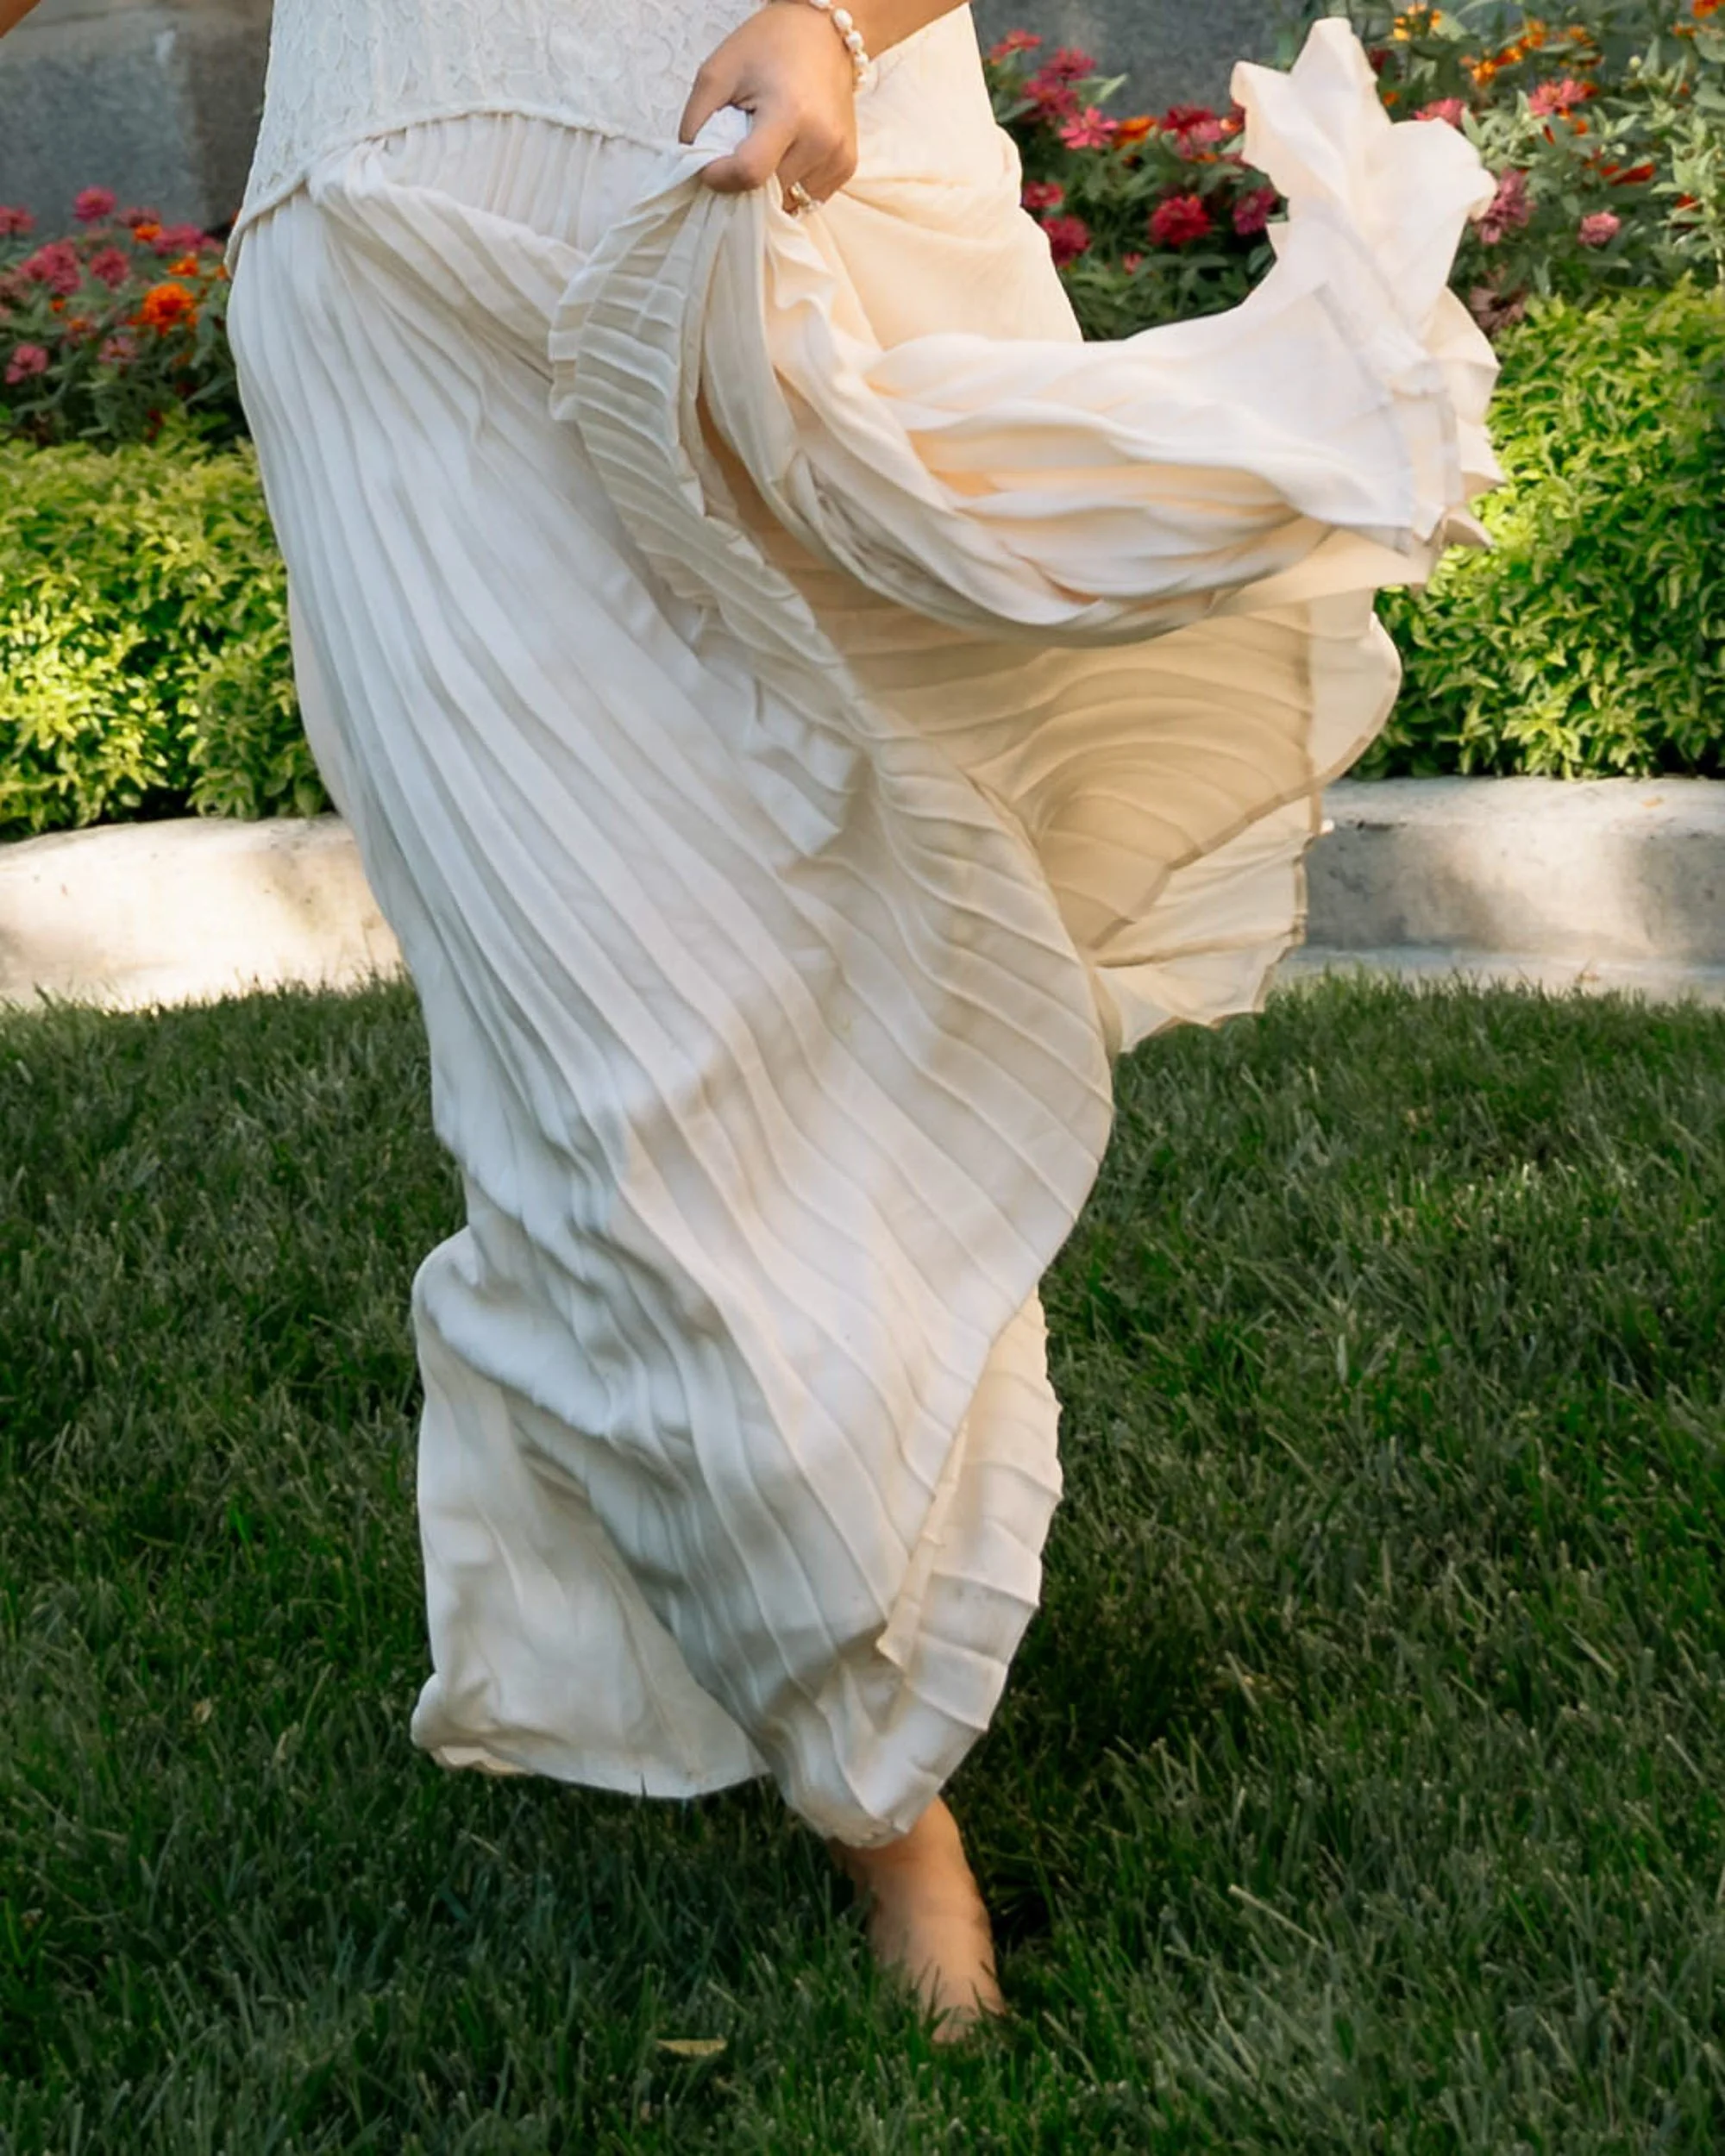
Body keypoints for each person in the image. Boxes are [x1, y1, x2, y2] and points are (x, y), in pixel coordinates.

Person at [0, 0, 1498, 2040]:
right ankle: (884, 1783)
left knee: (831, 956)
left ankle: (844, 1611)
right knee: (601, 1067)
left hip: (723, 183)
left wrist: (831, 23)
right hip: (384, 250)